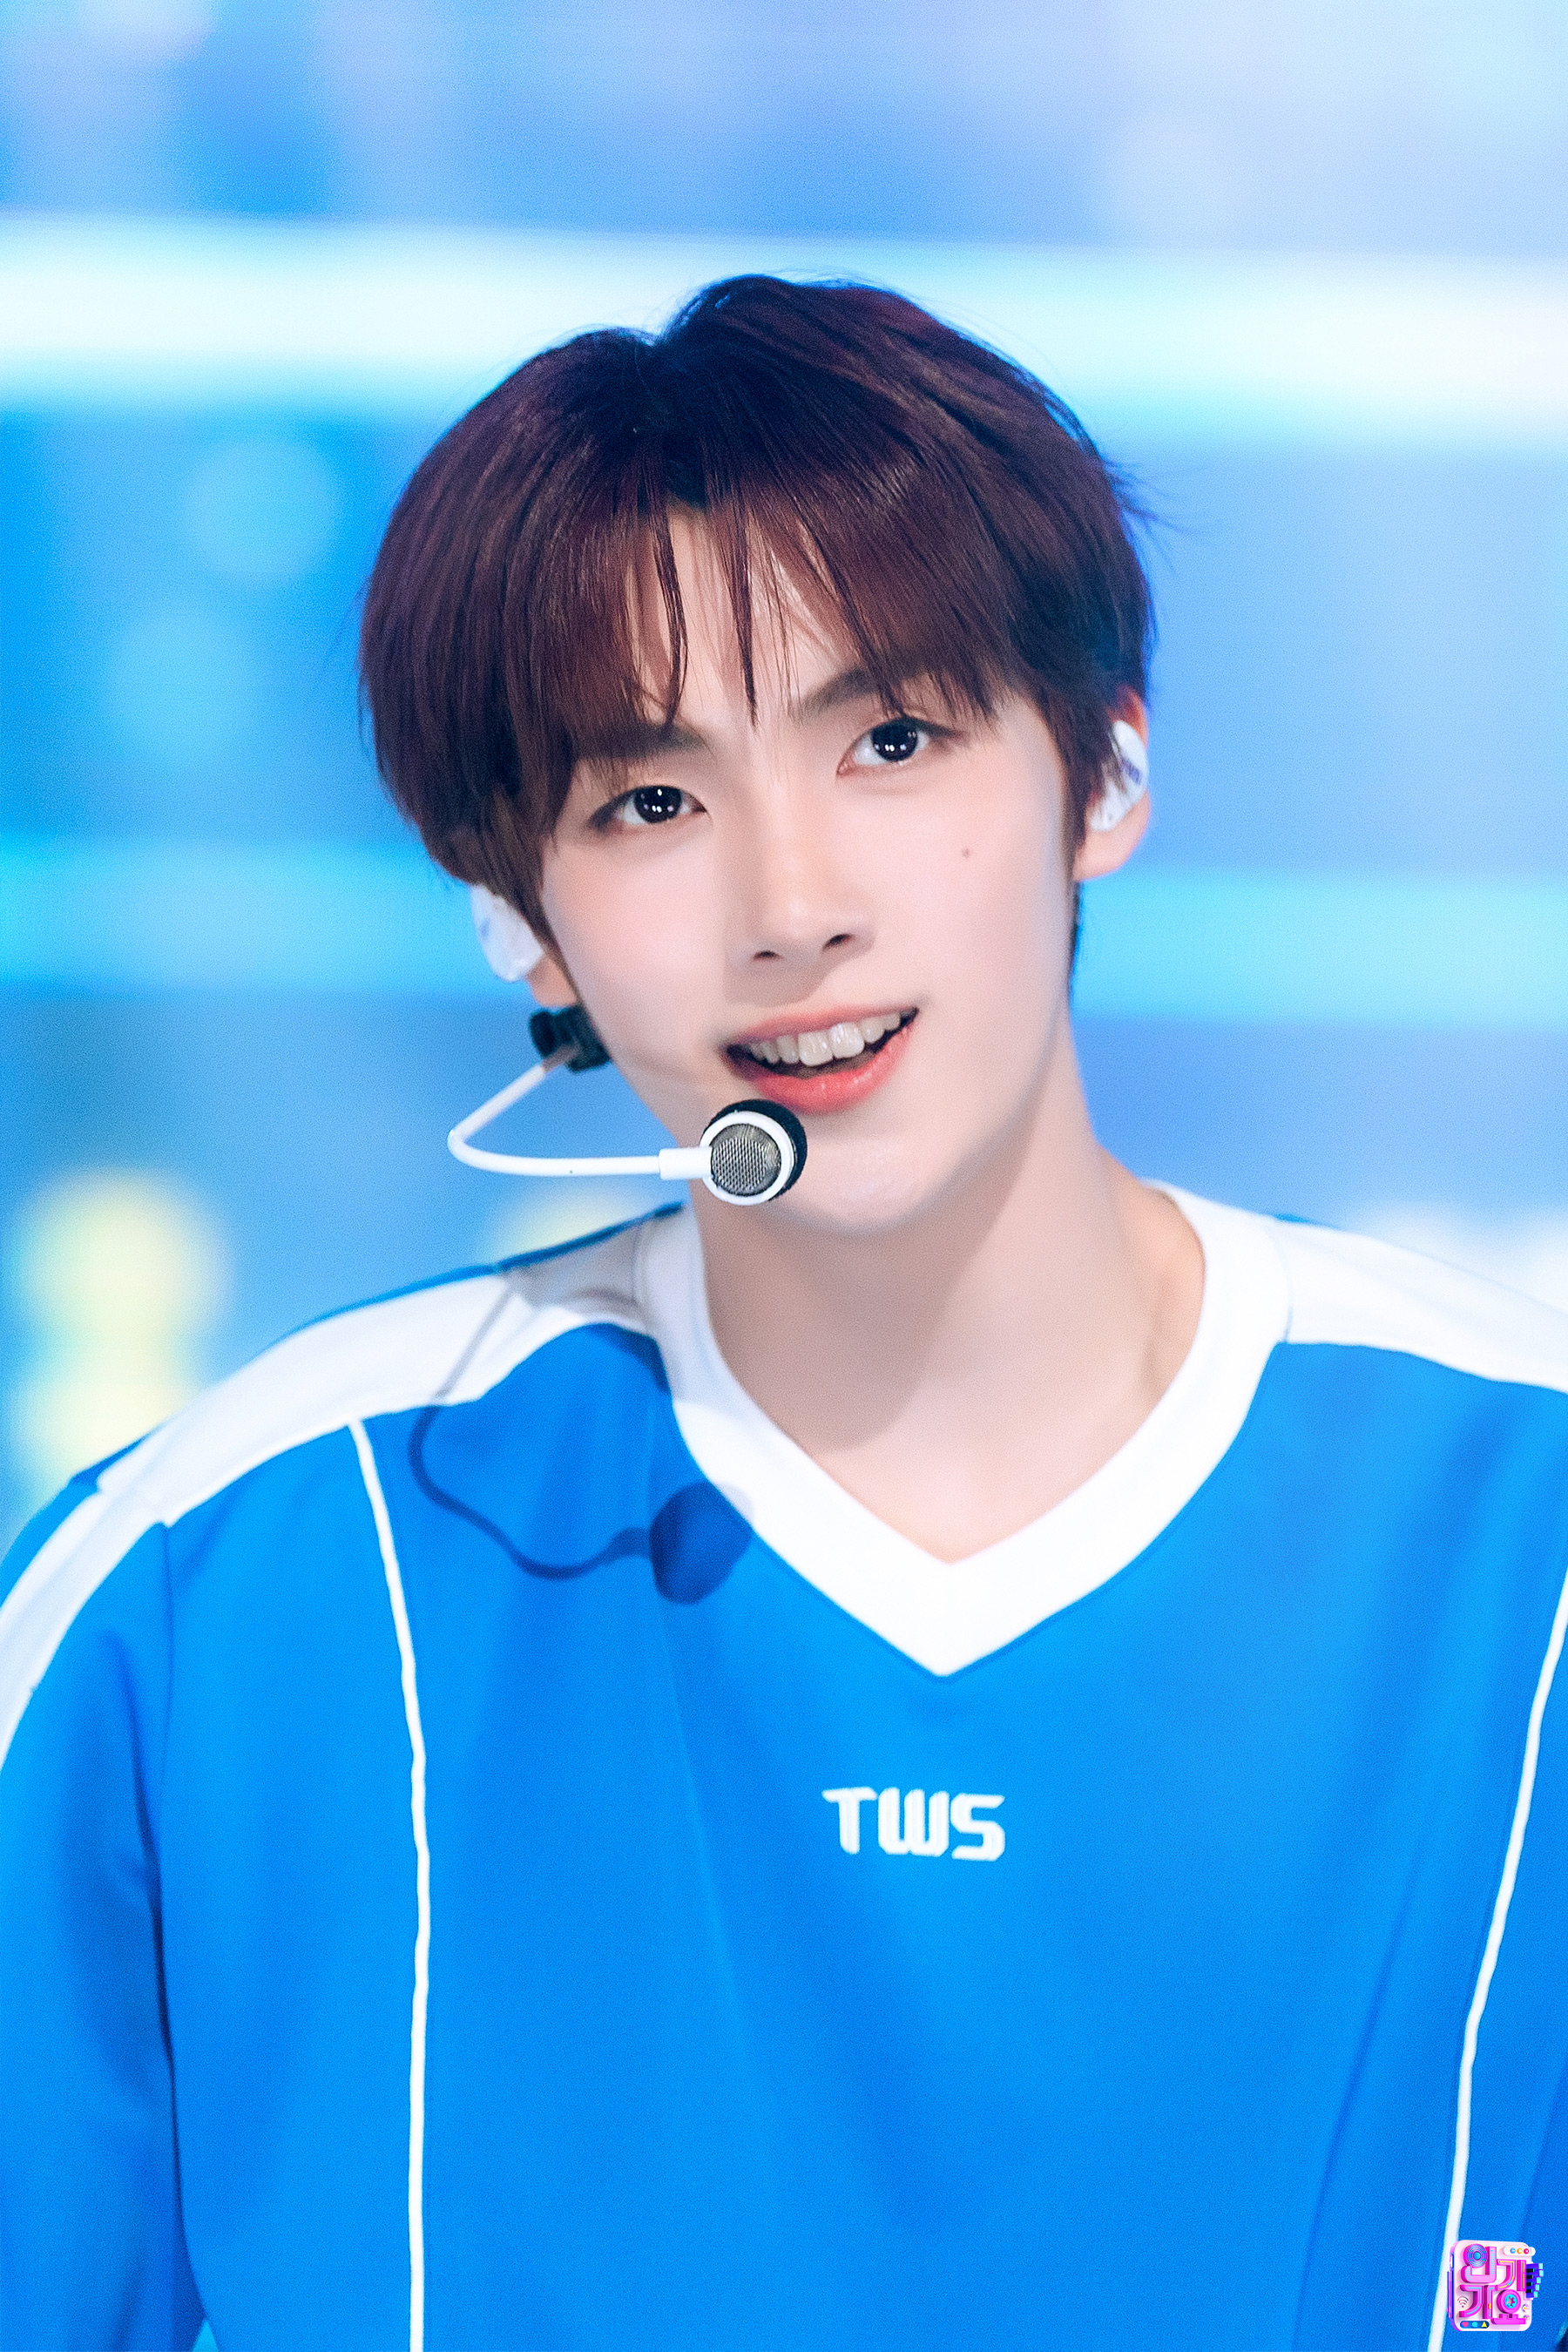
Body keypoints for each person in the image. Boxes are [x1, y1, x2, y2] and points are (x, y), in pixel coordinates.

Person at [2, 276, 1565, 2352]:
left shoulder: (1519, 1535)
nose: (792, 907)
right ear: (521, 919)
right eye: (650, 804)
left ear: (1105, 769)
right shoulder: (221, 1586)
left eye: (892, 742)